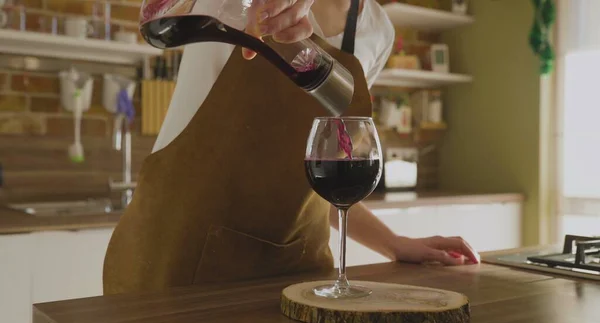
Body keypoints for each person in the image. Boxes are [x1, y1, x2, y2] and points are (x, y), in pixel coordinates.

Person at [103, 0, 479, 295]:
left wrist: (394, 244)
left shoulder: (376, 30)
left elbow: (318, 174)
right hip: (175, 259)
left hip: (294, 272)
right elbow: (161, 12)